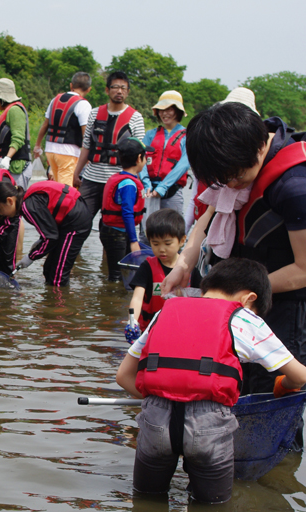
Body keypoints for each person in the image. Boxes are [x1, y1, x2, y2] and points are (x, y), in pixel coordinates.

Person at [116, 258, 306, 503]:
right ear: (249, 299)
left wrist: (161, 397)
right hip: (209, 427)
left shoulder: (167, 310)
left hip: (155, 423)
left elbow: (123, 376)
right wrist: (284, 386)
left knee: (147, 504)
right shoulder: (245, 318)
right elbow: (299, 376)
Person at [163, 102, 306, 402]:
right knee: (230, 386)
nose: (228, 184)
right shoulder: (235, 158)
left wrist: (240, 294)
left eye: (234, 175)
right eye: (220, 178)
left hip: (281, 303)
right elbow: (209, 215)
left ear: (257, 149)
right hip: (239, 299)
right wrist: (184, 263)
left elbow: (303, 269)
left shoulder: (294, 187)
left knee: (271, 397)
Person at [0, 180, 92, 286]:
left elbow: (51, 238)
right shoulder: (28, 201)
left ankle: (59, 301)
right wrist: (40, 241)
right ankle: (49, 300)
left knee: (58, 277)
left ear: (10, 201)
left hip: (75, 223)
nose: (0, 214)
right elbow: (49, 229)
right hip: (68, 221)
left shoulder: (28, 206)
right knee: (48, 269)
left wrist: (31, 257)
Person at [72, 71, 146, 218]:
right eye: (115, 87)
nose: (119, 91)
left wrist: (139, 181)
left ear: (128, 92)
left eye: (123, 88)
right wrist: (76, 173)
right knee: (79, 218)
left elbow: (140, 154)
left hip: (119, 180)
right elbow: (86, 146)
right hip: (92, 178)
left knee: (112, 227)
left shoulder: (135, 118)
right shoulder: (94, 113)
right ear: (107, 90)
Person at [126, 208, 187, 341]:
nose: (161, 249)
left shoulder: (189, 268)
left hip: (181, 329)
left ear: (182, 241)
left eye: (167, 243)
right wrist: (132, 322)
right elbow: (137, 298)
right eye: (155, 244)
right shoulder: (147, 267)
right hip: (150, 330)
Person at [100, 137, 150, 282]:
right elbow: (127, 212)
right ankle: (112, 299)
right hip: (117, 234)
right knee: (117, 275)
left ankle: (117, 299)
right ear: (140, 158)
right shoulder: (128, 184)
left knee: (124, 272)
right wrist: (134, 241)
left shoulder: (123, 179)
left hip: (114, 231)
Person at [33, 72, 92, 186]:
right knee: (65, 189)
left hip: (50, 149)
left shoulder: (55, 99)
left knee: (55, 186)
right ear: (88, 89)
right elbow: (86, 133)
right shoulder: (83, 104)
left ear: (71, 85)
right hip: (68, 152)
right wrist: (88, 157)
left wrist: (37, 145)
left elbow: (45, 125)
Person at [140, 91, 189, 229]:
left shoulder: (186, 136)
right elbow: (141, 158)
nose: (164, 113)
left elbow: (184, 164)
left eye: (169, 109)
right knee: (146, 233)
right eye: (161, 110)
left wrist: (163, 186)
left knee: (172, 230)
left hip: (172, 190)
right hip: (149, 189)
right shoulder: (151, 134)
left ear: (178, 111)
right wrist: (146, 183)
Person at [0, 78, 33, 188]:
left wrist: (7, 158)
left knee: (15, 201)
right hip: (8, 165)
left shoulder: (15, 110)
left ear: (2, 99)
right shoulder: (8, 111)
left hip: (17, 166)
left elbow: (18, 137)